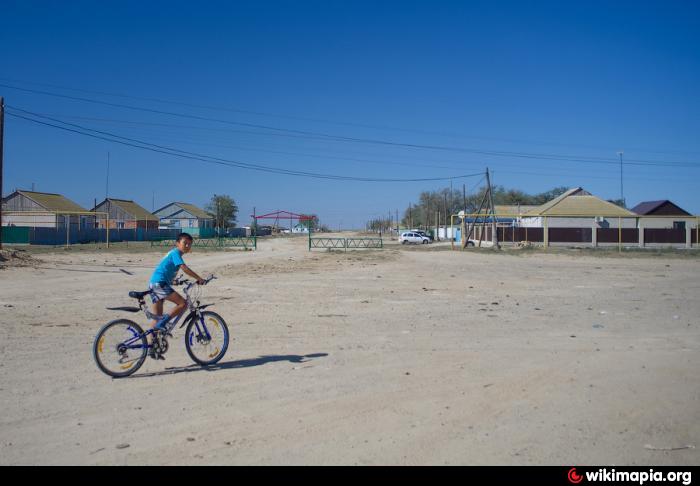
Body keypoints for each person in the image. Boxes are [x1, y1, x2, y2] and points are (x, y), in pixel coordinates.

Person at [149, 233, 205, 348]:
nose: (187, 246)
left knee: (157, 317)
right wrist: (199, 278)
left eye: (189, 244)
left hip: (154, 284)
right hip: (159, 284)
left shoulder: (173, 254)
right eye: (185, 243)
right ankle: (162, 324)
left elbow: (165, 270)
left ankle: (152, 346)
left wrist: (175, 282)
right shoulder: (175, 253)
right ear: (177, 243)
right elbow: (184, 268)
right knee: (183, 304)